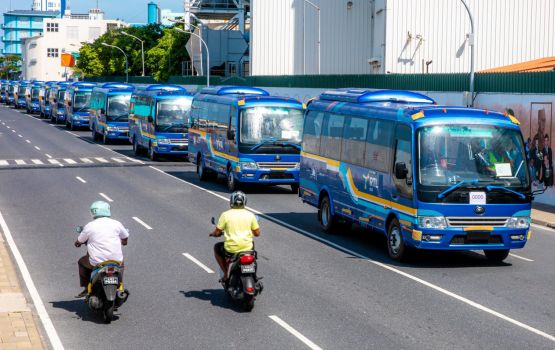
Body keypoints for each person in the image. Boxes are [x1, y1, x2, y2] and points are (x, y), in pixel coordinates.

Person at [75, 201, 129, 298]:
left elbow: (79, 240)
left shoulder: (89, 226)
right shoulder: (116, 223)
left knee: (81, 262)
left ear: (93, 212)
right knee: (121, 264)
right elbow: (125, 237)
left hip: (97, 262)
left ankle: (86, 287)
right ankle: (119, 284)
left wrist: (78, 243)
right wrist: (123, 242)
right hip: (116, 260)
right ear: (107, 210)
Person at [210, 191, 260, 282]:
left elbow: (217, 232)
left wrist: (213, 234)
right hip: (247, 248)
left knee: (217, 247)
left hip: (231, 250)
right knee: (252, 247)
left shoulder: (225, 215)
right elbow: (257, 233)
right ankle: (254, 275)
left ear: (231, 202)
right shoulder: (250, 215)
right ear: (244, 202)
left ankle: (226, 274)